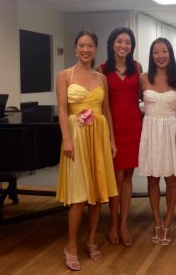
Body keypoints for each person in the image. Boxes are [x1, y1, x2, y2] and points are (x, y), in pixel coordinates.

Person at [56, 29, 118, 271]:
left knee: (98, 192)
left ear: (96, 49)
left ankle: (91, 238)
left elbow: (107, 110)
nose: (85, 49)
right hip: (77, 136)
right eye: (82, 45)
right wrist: (66, 139)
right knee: (79, 196)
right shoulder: (64, 76)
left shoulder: (101, 78)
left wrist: (112, 140)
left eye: (90, 45)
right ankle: (70, 246)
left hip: (99, 134)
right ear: (75, 48)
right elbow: (62, 110)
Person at [138, 37, 176, 246]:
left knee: (170, 179)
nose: (160, 56)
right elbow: (132, 101)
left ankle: (168, 222)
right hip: (150, 130)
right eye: (156, 52)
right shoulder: (143, 79)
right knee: (152, 179)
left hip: (170, 130)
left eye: (164, 51)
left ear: (170, 54)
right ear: (151, 56)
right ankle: (156, 222)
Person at [96, 27, 142, 247]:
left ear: (132, 46)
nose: (123, 45)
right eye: (119, 41)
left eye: (128, 42)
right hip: (113, 129)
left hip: (134, 126)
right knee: (116, 178)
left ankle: (124, 224)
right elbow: (100, 104)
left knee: (128, 177)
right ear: (112, 43)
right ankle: (112, 223)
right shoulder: (101, 69)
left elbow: (142, 96)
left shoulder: (137, 67)